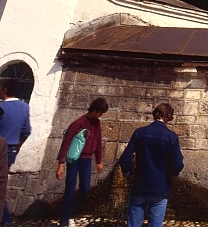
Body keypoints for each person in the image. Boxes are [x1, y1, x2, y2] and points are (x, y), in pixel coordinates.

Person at [119, 103, 184, 227]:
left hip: (140, 185)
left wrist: (128, 172)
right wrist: (173, 175)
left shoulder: (139, 133)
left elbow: (125, 159)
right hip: (161, 187)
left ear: (155, 114)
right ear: (168, 117)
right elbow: (177, 164)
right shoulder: (171, 137)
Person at [56, 97, 108, 227]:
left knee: (85, 189)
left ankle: (72, 214)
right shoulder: (78, 123)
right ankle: (64, 221)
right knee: (70, 190)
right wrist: (61, 164)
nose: (101, 115)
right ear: (95, 110)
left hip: (87, 160)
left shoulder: (97, 124)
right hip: (75, 160)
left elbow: (97, 142)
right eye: (101, 112)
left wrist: (99, 160)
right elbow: (66, 142)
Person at [0, 78, 32, 226]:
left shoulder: (0, 108)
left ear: (4, 90)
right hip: (10, 151)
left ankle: (4, 220)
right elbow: (26, 131)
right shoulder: (24, 107)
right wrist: (17, 147)